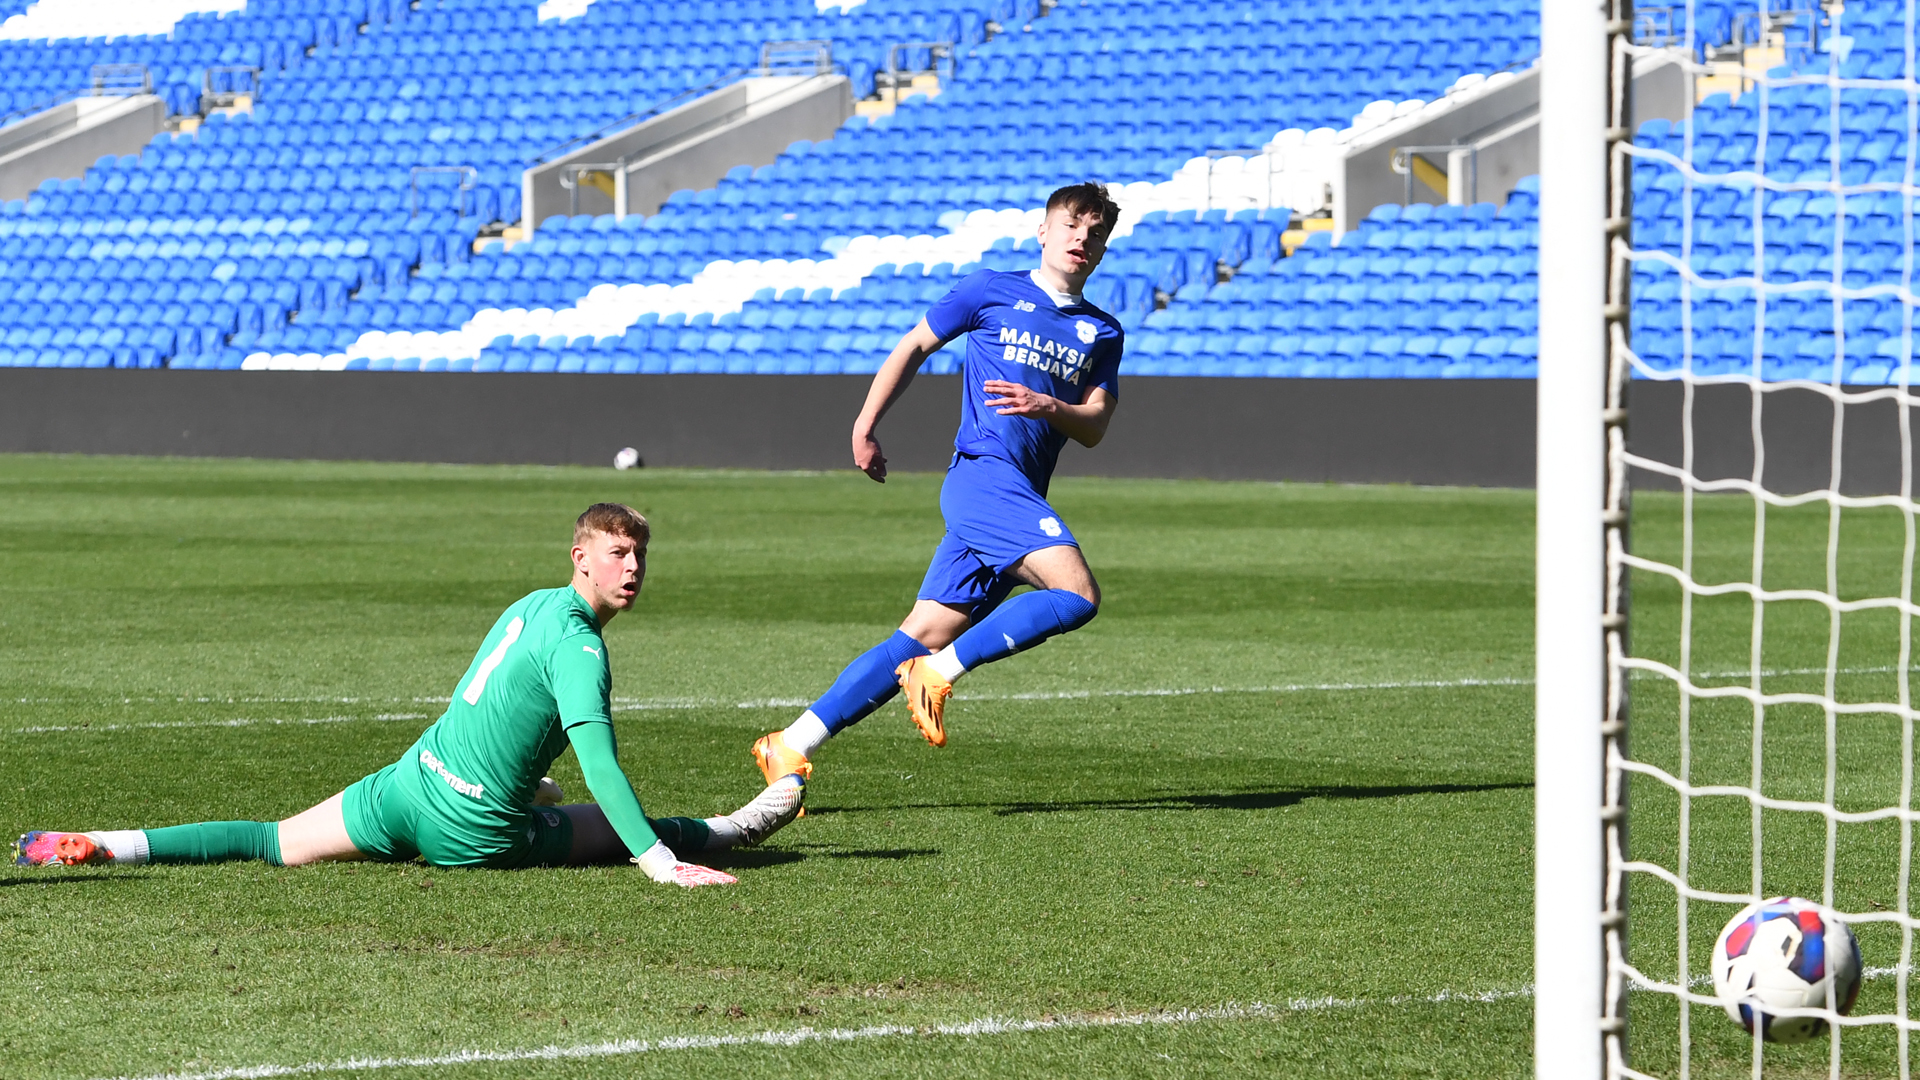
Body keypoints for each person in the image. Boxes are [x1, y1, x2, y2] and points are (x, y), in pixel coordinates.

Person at [18, 503, 802, 888]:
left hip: (408, 784)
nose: (631, 569)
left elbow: (485, 709)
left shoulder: (531, 605)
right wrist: (660, 865)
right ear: (582, 558)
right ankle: (739, 825)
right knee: (604, 822)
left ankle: (109, 841)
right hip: (471, 834)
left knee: (273, 840)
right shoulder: (580, 647)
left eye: (639, 557)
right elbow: (601, 764)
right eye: (618, 554)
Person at [750, 181, 1125, 786]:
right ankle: (941, 671)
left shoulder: (1103, 333)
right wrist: (865, 423)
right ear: (1044, 231)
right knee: (1077, 595)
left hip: (1017, 494)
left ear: (1104, 247)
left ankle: (791, 742)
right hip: (982, 478)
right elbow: (915, 344)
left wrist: (1046, 404)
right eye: (1072, 224)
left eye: (1096, 231)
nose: (1082, 238)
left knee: (918, 634)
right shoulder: (990, 290)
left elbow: (1096, 425)